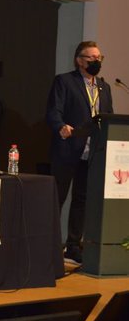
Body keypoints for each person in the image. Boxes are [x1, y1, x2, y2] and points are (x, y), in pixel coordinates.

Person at [46, 41, 113, 265]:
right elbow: (53, 111)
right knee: (58, 198)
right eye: (92, 58)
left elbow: (108, 117)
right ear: (79, 60)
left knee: (82, 200)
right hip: (68, 149)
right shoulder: (65, 81)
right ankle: (49, 246)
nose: (96, 62)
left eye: (99, 58)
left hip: (92, 152)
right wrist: (61, 127)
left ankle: (73, 246)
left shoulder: (104, 87)